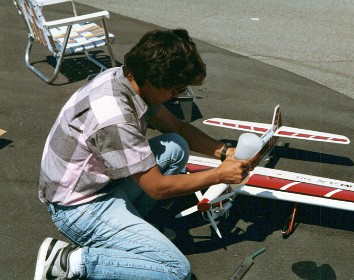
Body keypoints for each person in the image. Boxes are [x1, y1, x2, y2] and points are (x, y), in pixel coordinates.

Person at [34, 29, 252, 280]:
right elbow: (158, 188)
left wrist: (223, 152)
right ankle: (69, 261)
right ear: (151, 79)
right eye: (175, 89)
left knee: (175, 145)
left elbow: (176, 126)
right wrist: (220, 175)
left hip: (98, 186)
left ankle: (136, 235)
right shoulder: (114, 117)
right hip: (79, 208)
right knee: (175, 271)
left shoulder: (124, 78)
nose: (177, 95)